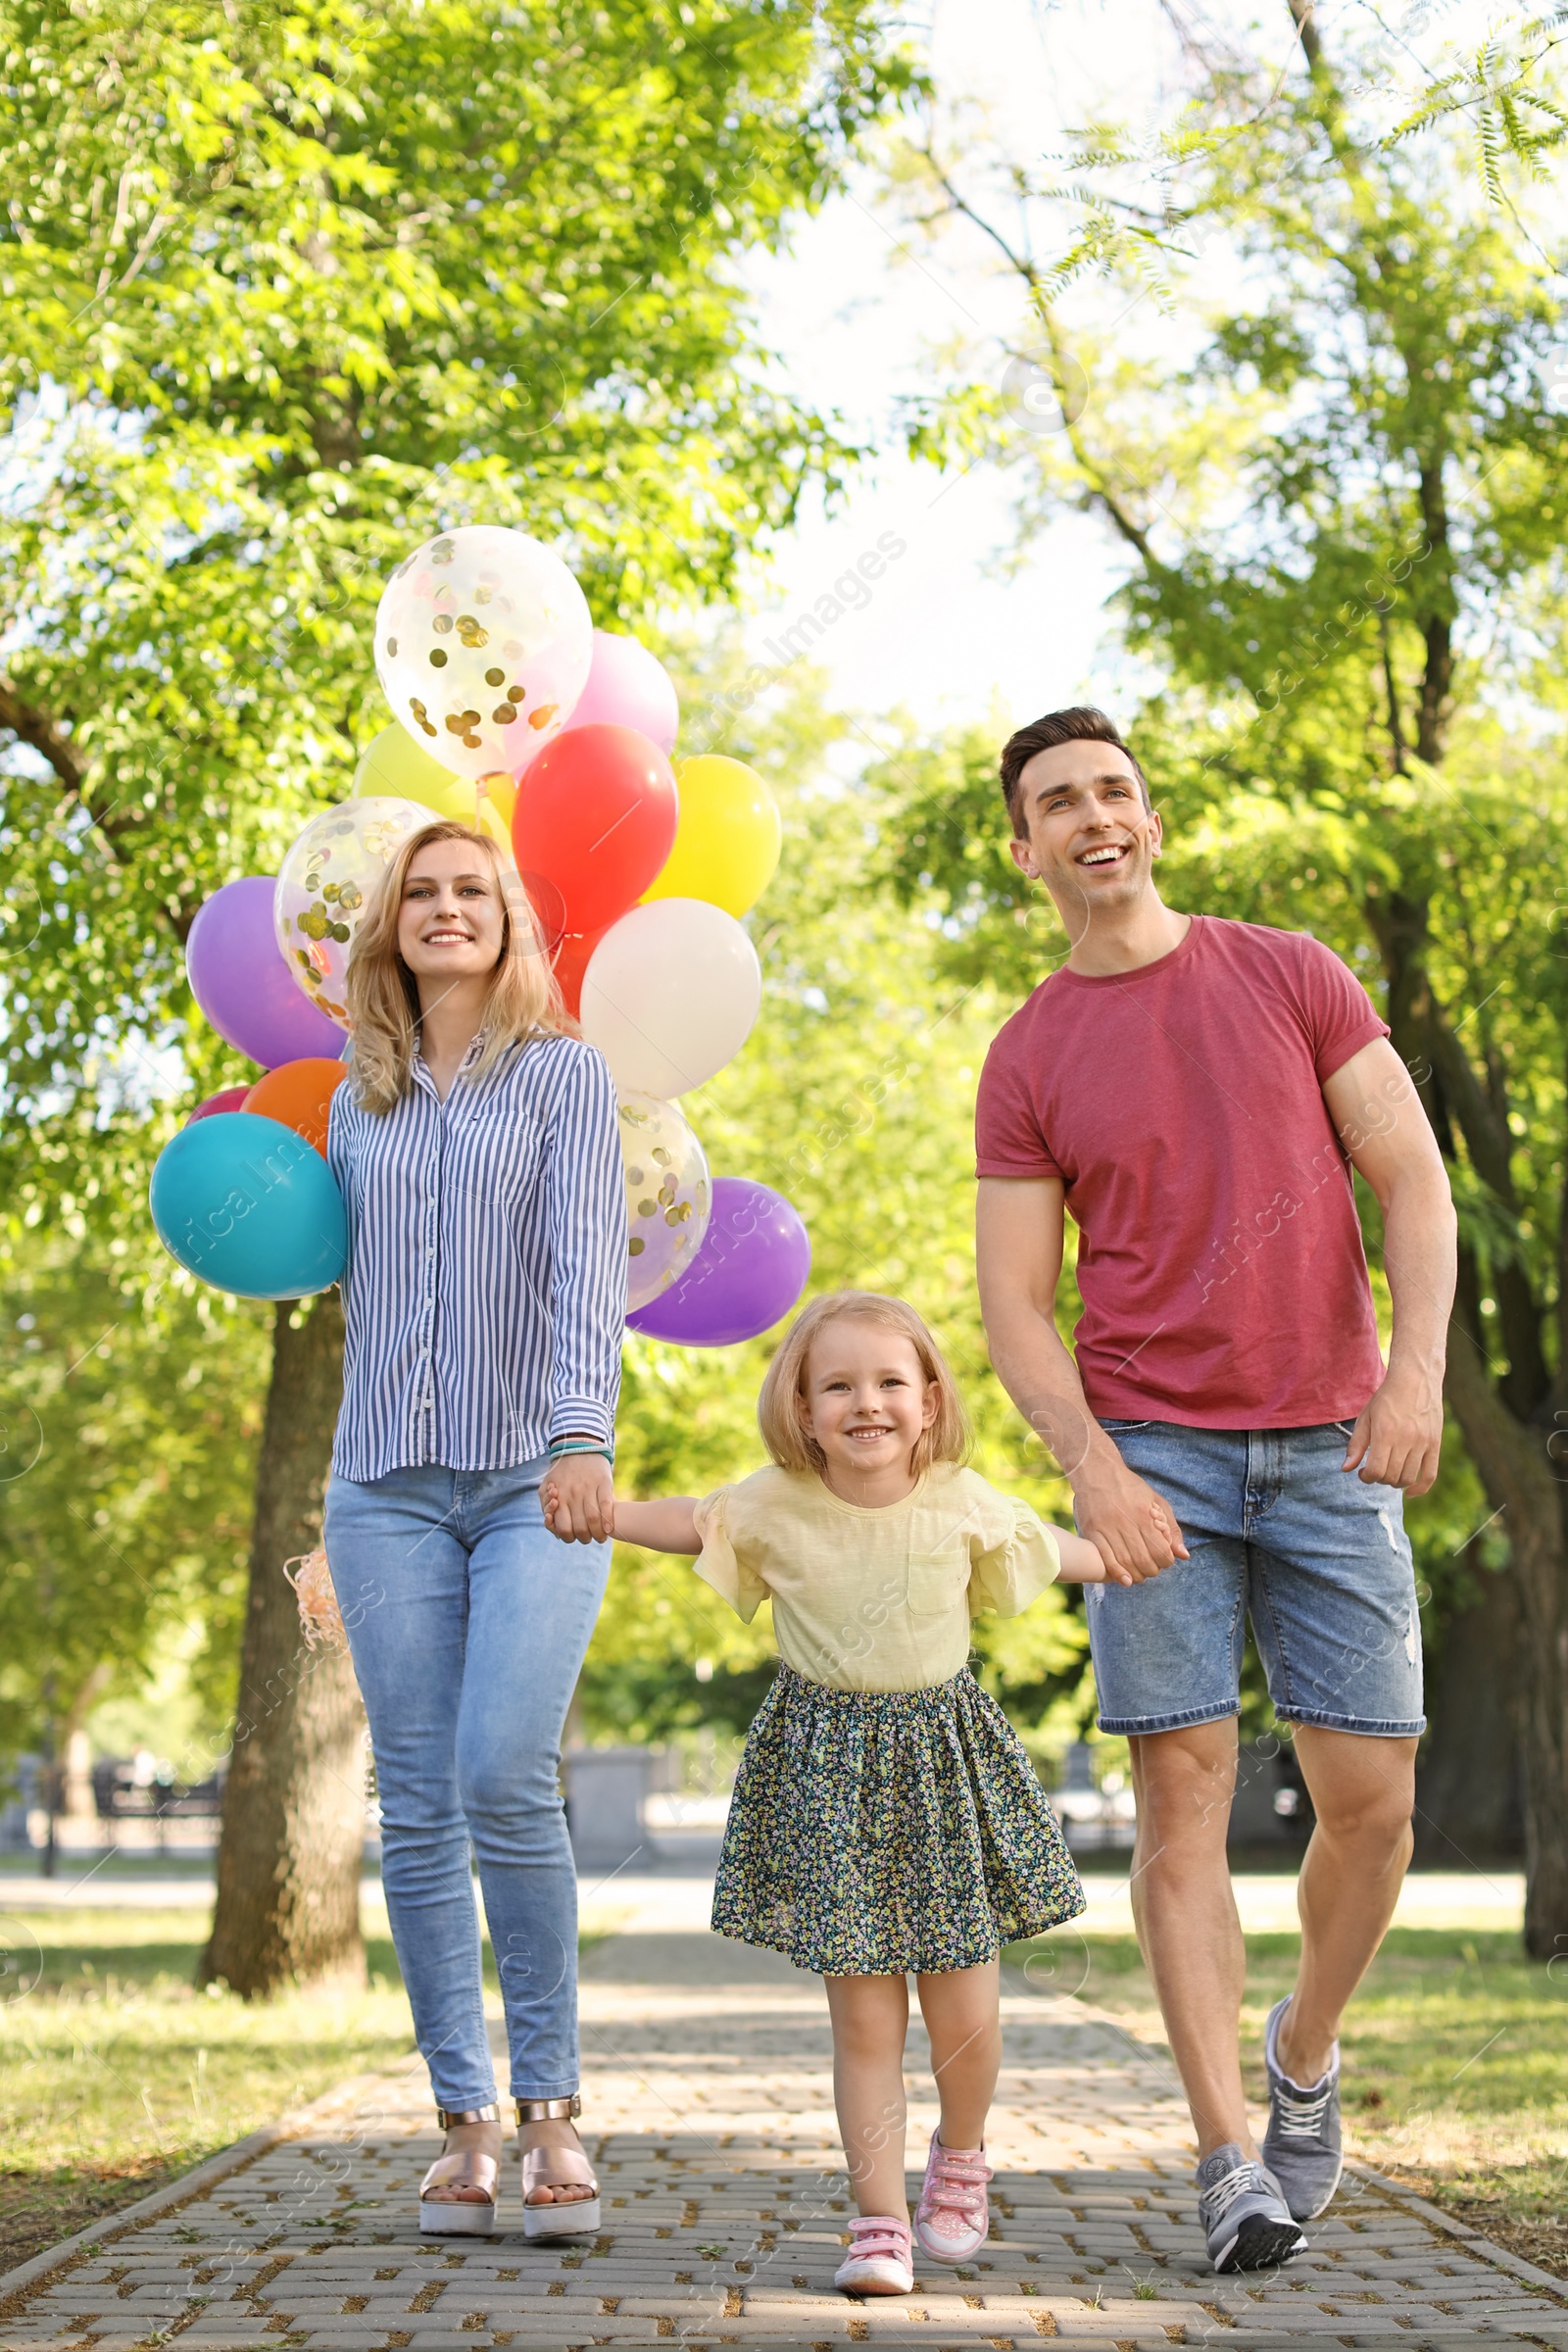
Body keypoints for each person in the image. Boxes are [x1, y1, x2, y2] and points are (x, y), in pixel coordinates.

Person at [973, 708, 1457, 2274]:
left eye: (1115, 790)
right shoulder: (1030, 1051)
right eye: (1060, 802)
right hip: (1154, 1461)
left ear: (1152, 819)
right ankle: (1226, 2159)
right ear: (1025, 846)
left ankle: (1302, 2054)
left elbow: (1412, 1177)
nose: (1093, 817)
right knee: (1182, 1800)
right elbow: (1016, 1307)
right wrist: (1094, 1473)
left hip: (1332, 1441)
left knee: (1371, 1810)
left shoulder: (1290, 971)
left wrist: (1418, 1377)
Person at [546, 1289, 1124, 2297]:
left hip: (942, 1773)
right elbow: (693, 1521)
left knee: (967, 2017)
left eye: (891, 1381)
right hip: (830, 1777)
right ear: (802, 1410)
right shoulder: (772, 1503)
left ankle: (961, 2150)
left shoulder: (961, 1498)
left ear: (931, 1400)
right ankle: (877, 2223)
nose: (868, 1404)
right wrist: (603, 1514)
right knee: (863, 2022)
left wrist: (1128, 1548)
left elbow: (1047, 1549)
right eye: (839, 1386)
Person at [322, 818, 626, 2239]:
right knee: (418, 1800)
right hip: (379, 1481)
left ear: (511, 921)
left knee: (506, 1771)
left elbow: (582, 1265)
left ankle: (554, 2105)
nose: (449, 911)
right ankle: (463, 2121)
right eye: (423, 894)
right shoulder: (353, 1099)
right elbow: (349, 1297)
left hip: (530, 1479)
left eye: (475, 891)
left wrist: (582, 1436)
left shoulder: (564, 1077)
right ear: (391, 927)